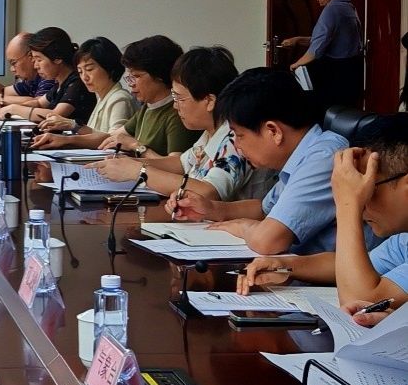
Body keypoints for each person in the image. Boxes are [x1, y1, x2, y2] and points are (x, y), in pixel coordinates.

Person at [172, 68, 347, 256]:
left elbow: (268, 241)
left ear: (273, 131)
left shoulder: (324, 158)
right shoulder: (303, 153)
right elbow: (265, 210)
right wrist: (210, 208)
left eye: (239, 135)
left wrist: (242, 226)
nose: (237, 145)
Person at [237, 116, 408, 302]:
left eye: (368, 189)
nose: (361, 205)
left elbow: (359, 301)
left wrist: (348, 205)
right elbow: (349, 266)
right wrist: (283, 265)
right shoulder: (402, 241)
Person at [89, 46, 268, 200]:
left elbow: (208, 192)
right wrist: (129, 163)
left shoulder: (235, 138)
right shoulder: (210, 132)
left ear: (209, 101)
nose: (175, 106)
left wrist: (139, 171)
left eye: (179, 98)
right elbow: (181, 164)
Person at [95, 36, 197, 158]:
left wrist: (137, 146)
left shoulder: (177, 113)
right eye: (129, 77)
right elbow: (114, 137)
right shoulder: (148, 106)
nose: (131, 84)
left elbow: (176, 164)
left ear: (159, 75)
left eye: (136, 76)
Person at [282, 0, 364, 109]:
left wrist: (295, 65)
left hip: (336, 72)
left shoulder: (331, 10)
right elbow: (326, 39)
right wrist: (298, 40)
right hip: (352, 69)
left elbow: (317, 49)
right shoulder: (348, 7)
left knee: (327, 110)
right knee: (345, 113)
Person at [30, 37, 134, 148]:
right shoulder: (102, 97)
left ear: (109, 67)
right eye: (80, 71)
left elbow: (114, 141)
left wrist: (73, 127)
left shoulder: (120, 99)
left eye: (89, 69)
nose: (84, 77)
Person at [0, 26, 96, 126]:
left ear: (57, 58)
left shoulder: (77, 82)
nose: (35, 66)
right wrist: (10, 106)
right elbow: (39, 103)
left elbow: (55, 115)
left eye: (39, 60)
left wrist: (14, 109)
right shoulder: (59, 84)